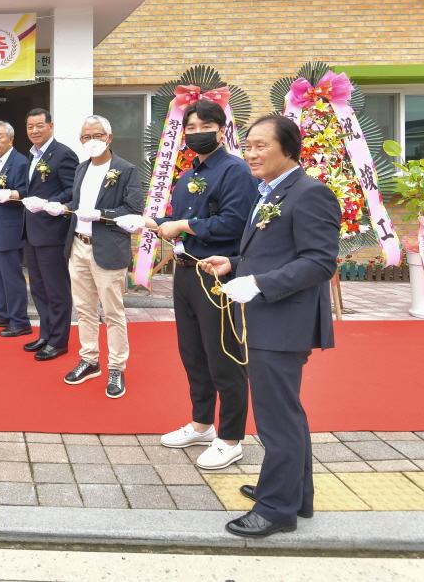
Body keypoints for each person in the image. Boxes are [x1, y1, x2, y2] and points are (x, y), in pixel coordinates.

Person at [199, 115, 340, 538]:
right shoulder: (271, 191)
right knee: (285, 412)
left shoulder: (310, 193)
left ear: (289, 148)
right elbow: (272, 252)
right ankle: (296, 495)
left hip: (284, 321)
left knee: (277, 417)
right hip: (266, 317)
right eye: (248, 145)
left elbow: (319, 262)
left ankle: (277, 509)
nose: (251, 153)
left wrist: (258, 283)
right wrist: (234, 264)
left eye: (261, 145)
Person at [132, 99, 259, 470]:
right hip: (186, 272)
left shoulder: (235, 170)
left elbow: (235, 222)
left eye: (206, 126)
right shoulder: (188, 175)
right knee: (193, 353)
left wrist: (183, 225)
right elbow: (180, 221)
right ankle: (202, 424)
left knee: (224, 356)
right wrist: (151, 222)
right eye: (190, 127)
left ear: (222, 130)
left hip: (217, 274)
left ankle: (231, 438)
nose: (197, 133)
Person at [56, 116, 145, 397]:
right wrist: (60, 207)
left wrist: (102, 215)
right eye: (86, 136)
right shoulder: (81, 169)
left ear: (109, 138)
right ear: (81, 140)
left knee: (113, 312)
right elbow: (76, 204)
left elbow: (134, 209)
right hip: (78, 245)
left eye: (97, 135)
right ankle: (89, 359)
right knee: (84, 309)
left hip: (107, 247)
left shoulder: (125, 169)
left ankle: (116, 366)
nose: (92, 141)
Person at [16, 108, 79, 361]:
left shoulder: (63, 154)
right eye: (30, 126)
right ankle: (46, 334)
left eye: (39, 125)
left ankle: (59, 340)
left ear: (50, 126)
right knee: (39, 289)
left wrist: (48, 203)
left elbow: (73, 190)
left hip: (53, 232)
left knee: (56, 289)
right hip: (33, 232)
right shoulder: (32, 155)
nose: (34, 131)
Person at [0, 121, 30, 337]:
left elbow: (26, 191)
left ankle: (20, 321)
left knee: (11, 275)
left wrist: (9, 194)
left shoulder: (20, 162)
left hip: (9, 227)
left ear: (11, 138)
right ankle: (4, 314)